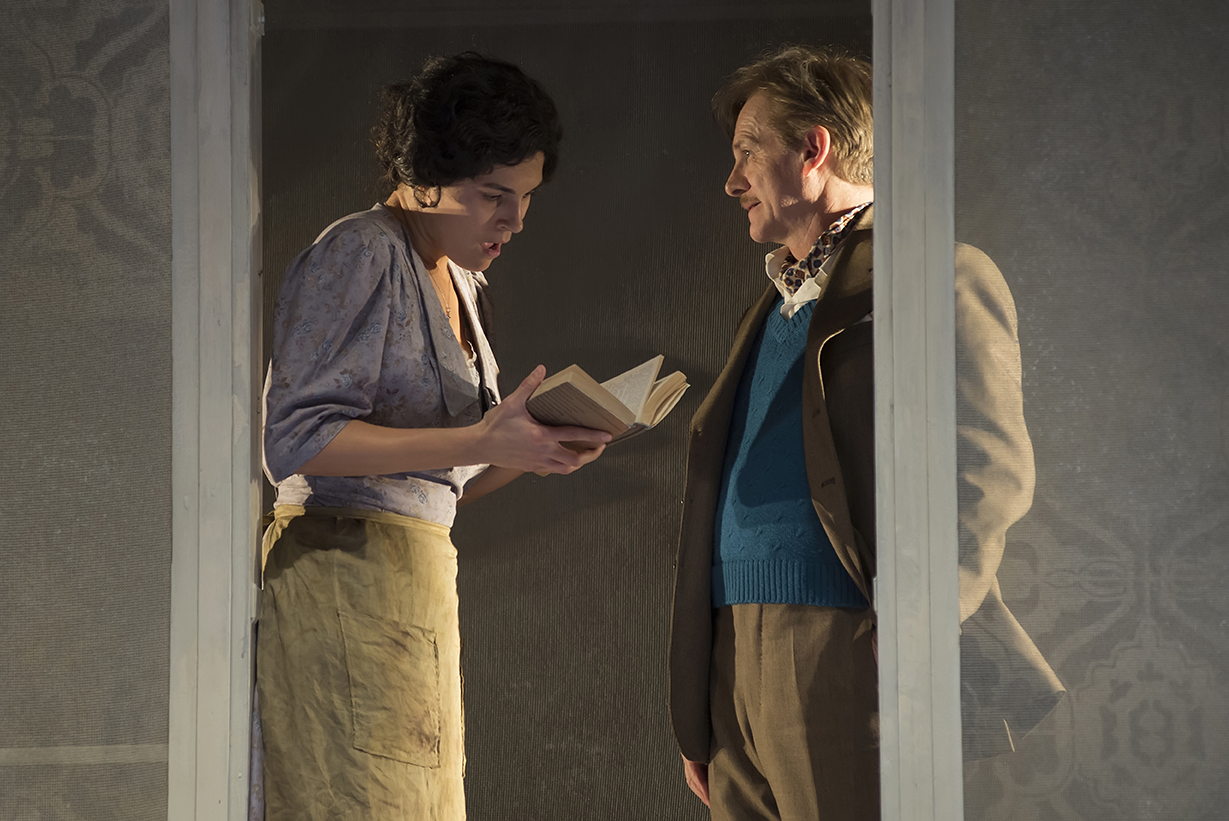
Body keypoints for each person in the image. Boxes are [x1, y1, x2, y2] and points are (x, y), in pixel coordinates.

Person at [668, 45, 1064, 820]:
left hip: (839, 640)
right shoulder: (771, 305)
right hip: (729, 650)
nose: (731, 180)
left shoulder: (935, 274)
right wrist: (704, 698)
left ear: (813, 148)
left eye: (747, 151)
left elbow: (989, 464)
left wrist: (919, 619)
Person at [257, 52, 609, 821]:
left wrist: (533, 450)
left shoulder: (460, 277)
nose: (514, 221)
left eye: (524, 198)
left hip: (413, 591)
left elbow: (438, 484)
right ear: (423, 178)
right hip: (341, 579)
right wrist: (482, 438)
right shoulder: (362, 250)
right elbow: (293, 440)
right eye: (493, 196)